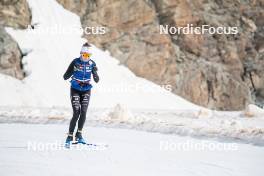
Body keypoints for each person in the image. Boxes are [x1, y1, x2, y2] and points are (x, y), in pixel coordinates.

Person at [63, 42, 99, 146]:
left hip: (86, 89)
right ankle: (70, 136)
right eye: (84, 55)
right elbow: (65, 76)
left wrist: (95, 73)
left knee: (83, 112)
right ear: (80, 54)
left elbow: (97, 80)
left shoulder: (92, 63)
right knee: (76, 112)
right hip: (75, 88)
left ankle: (79, 134)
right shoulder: (75, 62)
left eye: (88, 55)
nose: (85, 57)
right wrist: (72, 71)